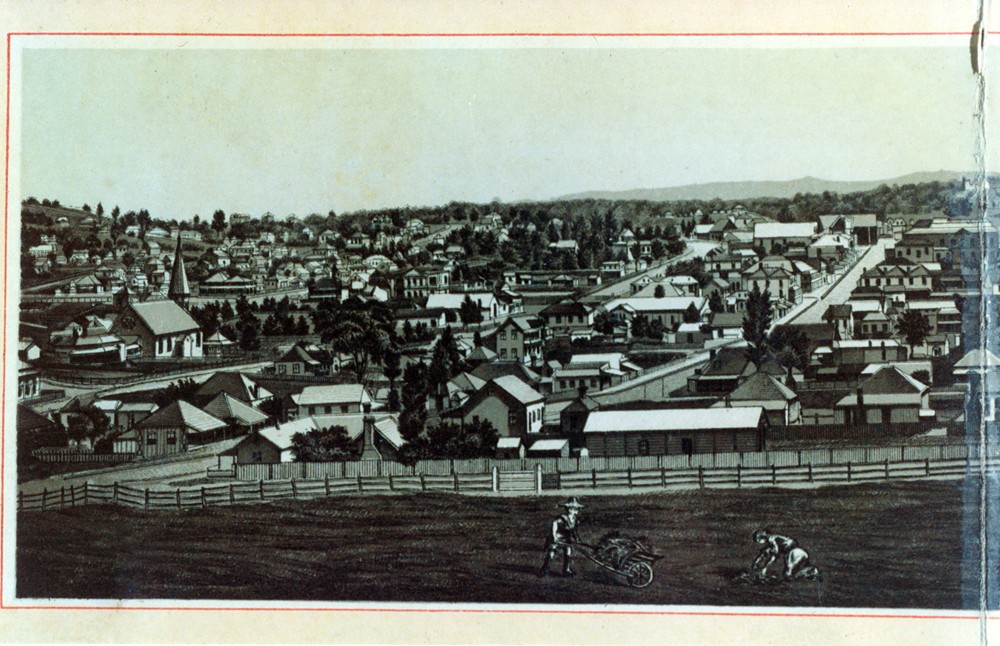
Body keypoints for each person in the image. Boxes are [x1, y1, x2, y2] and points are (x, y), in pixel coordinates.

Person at [538, 497, 584, 577]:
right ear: (568, 509)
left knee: (568, 550)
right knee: (552, 552)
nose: (575, 510)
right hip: (557, 536)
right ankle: (545, 569)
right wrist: (554, 536)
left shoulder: (576, 520)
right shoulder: (561, 518)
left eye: (576, 509)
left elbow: (574, 531)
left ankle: (566, 570)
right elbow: (554, 526)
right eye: (572, 508)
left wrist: (577, 539)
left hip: (566, 537)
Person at [751, 529, 819, 580]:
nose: (760, 543)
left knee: (788, 575)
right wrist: (756, 562)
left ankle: (810, 570)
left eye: (759, 541)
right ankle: (808, 571)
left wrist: (765, 567)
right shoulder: (772, 540)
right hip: (794, 553)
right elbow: (764, 553)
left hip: (794, 552)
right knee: (788, 574)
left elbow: (775, 555)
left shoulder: (771, 539)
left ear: (761, 537)